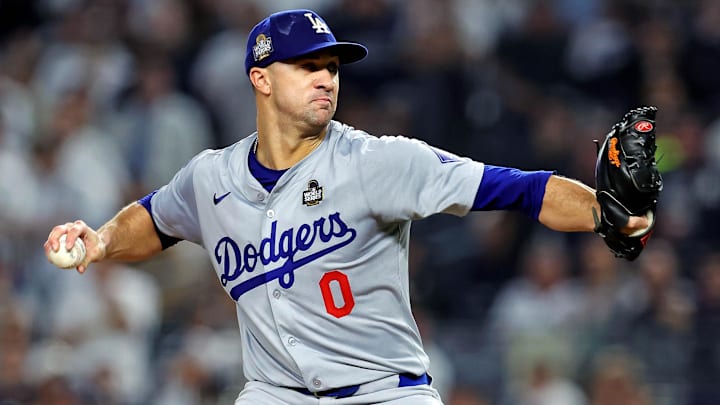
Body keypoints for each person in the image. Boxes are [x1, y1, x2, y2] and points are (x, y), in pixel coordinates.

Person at [44, 9, 651, 405]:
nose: (326, 78)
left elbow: (519, 187)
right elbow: (153, 219)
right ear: (260, 79)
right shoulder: (212, 177)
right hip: (275, 393)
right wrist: (99, 241)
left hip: (385, 394)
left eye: (332, 67)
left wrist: (605, 210)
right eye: (308, 66)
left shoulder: (376, 161)